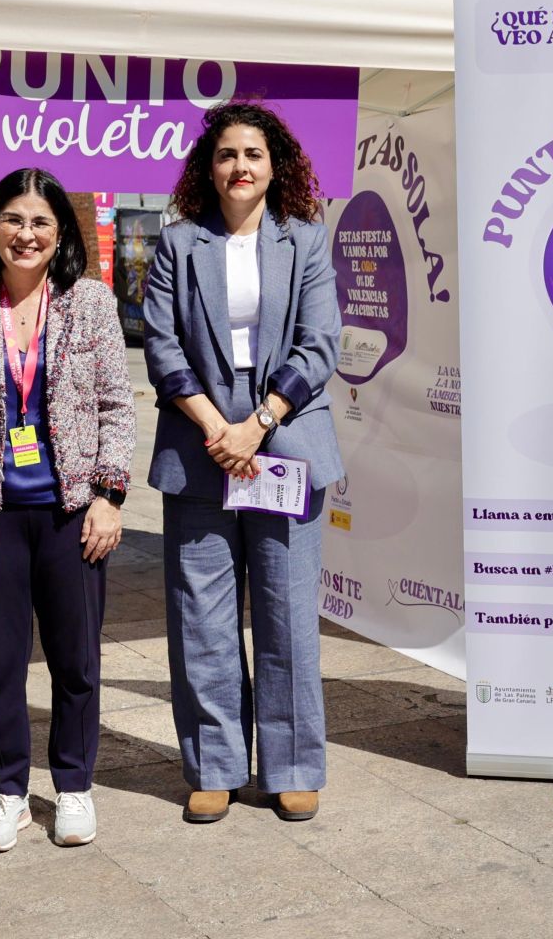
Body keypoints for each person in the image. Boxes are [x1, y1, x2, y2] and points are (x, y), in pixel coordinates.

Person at [0, 168, 134, 853]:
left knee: (76, 661)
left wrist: (109, 496)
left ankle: (73, 788)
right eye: (13, 219)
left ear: (60, 232)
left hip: (72, 513)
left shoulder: (91, 302)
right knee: (0, 663)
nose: (26, 234)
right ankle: (6, 793)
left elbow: (117, 408)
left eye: (41, 221)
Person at [143, 101, 342, 825]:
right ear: (209, 166)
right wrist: (216, 427)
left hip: (283, 442)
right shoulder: (177, 244)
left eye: (253, 154)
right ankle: (214, 766)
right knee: (203, 618)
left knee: (288, 616)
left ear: (274, 165)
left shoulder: (308, 242)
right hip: (199, 451)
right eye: (227, 154)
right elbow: (161, 345)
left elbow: (319, 345)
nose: (240, 167)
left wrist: (257, 425)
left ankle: (291, 765)